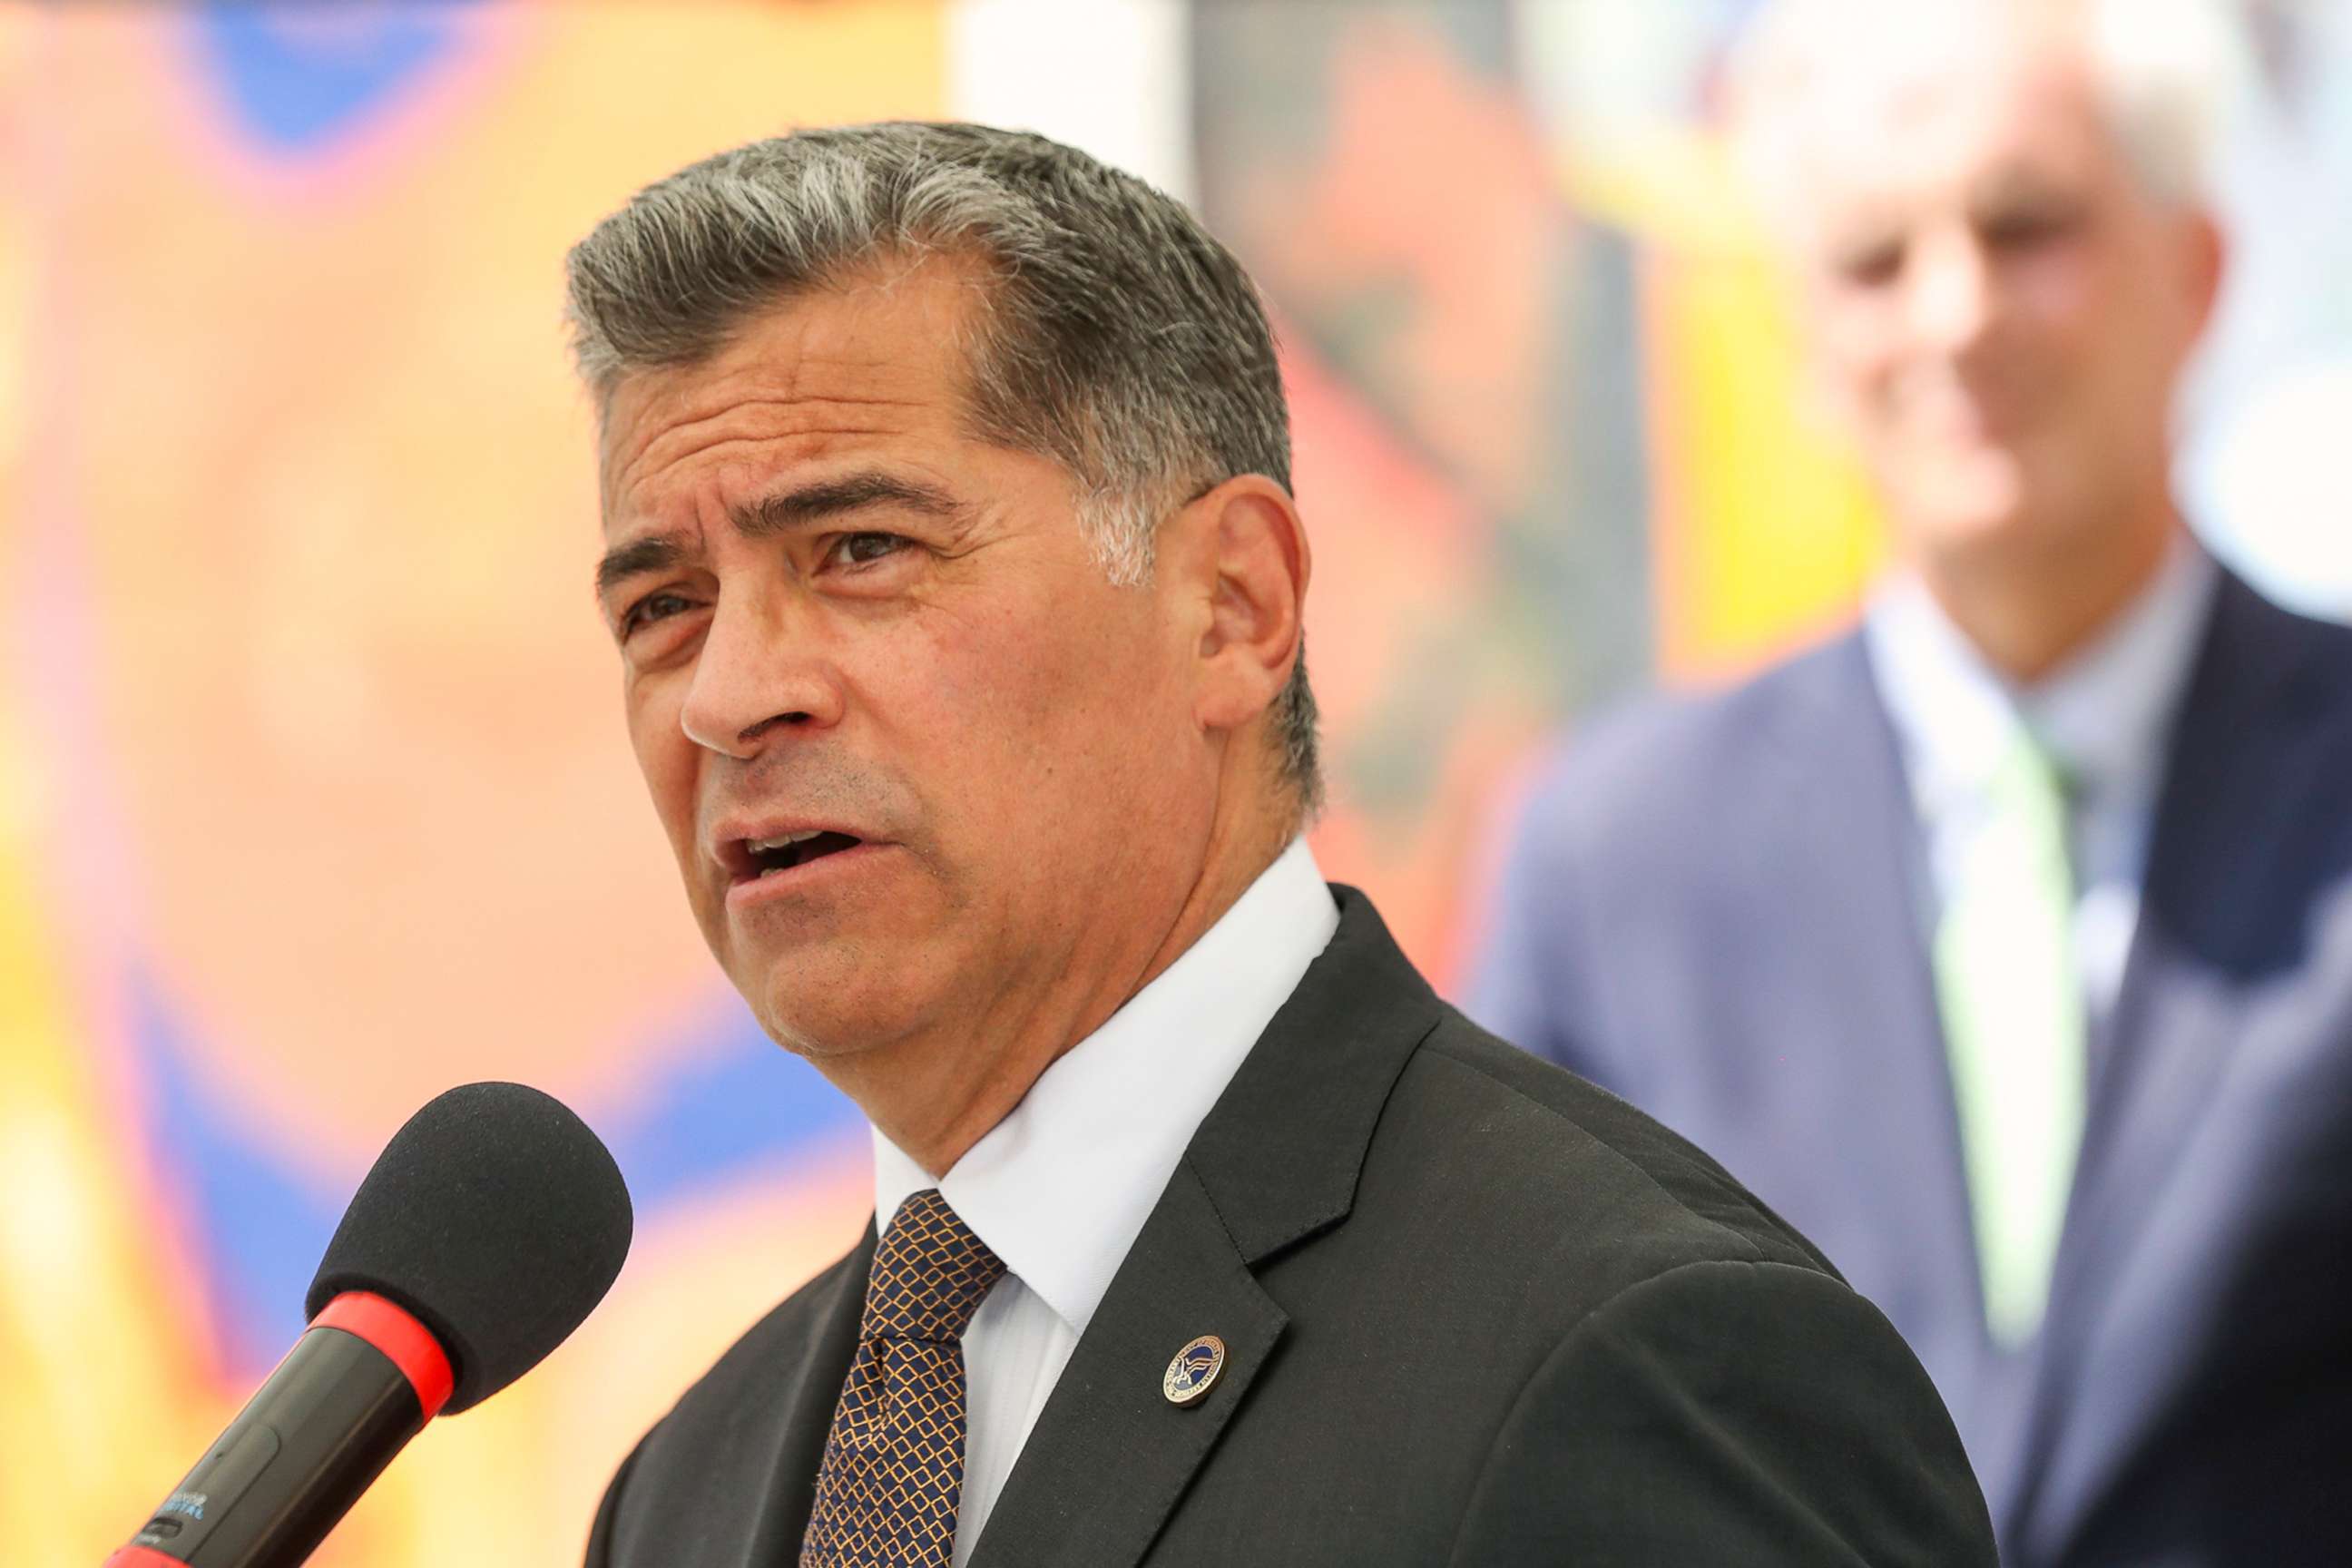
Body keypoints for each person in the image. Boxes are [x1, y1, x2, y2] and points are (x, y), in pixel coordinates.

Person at [564, 122, 1993, 1567]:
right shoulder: (689, 1490)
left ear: (1233, 606)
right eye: (661, 608)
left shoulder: (1635, 1360)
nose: (735, 695)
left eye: (861, 549)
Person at [1469, 3, 2352, 1564]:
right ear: (1802, 343)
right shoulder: (1613, 867)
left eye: (2029, 227)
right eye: (1876, 259)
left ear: (2198, 273)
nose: (1958, 314)